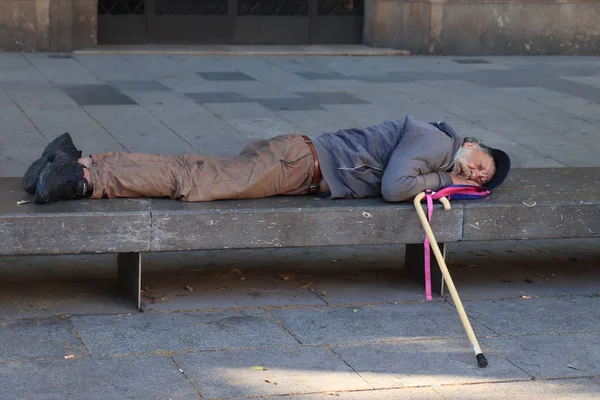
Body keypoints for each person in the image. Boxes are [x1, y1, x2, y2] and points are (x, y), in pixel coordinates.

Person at [23, 116, 510, 205]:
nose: (474, 173)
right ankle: (85, 179)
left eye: (479, 180)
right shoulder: (436, 144)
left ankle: (75, 159)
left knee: (193, 169)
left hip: (298, 165)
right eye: (481, 164)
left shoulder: (438, 150)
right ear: (473, 144)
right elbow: (396, 186)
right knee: (190, 182)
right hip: (298, 163)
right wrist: (446, 177)